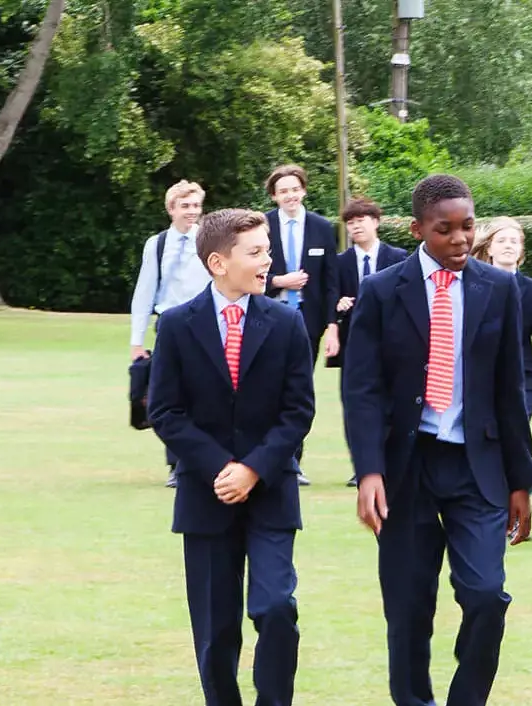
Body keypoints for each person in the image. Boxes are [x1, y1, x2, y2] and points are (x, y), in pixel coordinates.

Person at [344, 174, 532, 706]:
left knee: (486, 596)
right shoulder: (383, 290)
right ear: (417, 229)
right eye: (444, 229)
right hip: (406, 469)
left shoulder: (498, 289)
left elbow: (509, 390)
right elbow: (361, 388)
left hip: (478, 469)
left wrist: (522, 481)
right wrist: (369, 471)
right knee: (408, 608)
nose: (458, 238)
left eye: (467, 227)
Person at [147, 208, 317, 706]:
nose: (268, 261)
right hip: (206, 497)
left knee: (276, 608)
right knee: (216, 632)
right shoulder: (177, 325)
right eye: (257, 252)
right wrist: (221, 467)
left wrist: (252, 469)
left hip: (270, 495)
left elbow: (298, 412)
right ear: (218, 262)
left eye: (268, 250)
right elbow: (166, 411)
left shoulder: (287, 324)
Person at [129, 180, 212, 488]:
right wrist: (136, 340)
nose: (192, 212)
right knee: (171, 396)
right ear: (171, 209)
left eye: (196, 206)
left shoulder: (208, 239)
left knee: (203, 394)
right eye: (185, 206)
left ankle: (202, 460)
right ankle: (176, 464)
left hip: (203, 322)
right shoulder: (158, 244)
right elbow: (145, 291)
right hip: (168, 323)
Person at [263, 164, 339, 486]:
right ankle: (266, 459)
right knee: (266, 390)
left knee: (297, 392)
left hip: (308, 323)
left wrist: (333, 325)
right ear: (274, 196)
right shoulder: (261, 226)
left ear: (304, 190)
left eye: (295, 189)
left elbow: (332, 281)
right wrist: (280, 280)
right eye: (283, 191)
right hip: (267, 319)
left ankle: (294, 462)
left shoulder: (323, 227)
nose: (290, 196)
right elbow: (247, 272)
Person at [334, 198, 409, 488]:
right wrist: (337, 304)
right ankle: (360, 465)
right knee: (354, 403)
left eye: (361, 220)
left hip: (392, 342)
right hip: (354, 343)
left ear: (375, 222)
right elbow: (329, 295)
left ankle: (392, 460)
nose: (356, 226)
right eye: (351, 223)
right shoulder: (340, 263)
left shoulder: (398, 257)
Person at [471, 216, 532, 419]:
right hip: (482, 378)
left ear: (521, 250)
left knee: (516, 442)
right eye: (501, 241)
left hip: (523, 381)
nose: (508, 246)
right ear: (489, 249)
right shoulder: (474, 285)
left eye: (514, 241)